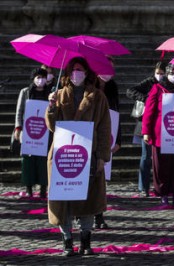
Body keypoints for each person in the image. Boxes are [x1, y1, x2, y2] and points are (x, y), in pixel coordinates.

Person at [46, 57, 111, 256]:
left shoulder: (98, 97)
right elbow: (51, 126)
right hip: (63, 156)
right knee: (62, 199)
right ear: (67, 73)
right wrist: (51, 107)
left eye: (80, 69)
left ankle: (85, 240)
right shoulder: (58, 95)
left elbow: (104, 128)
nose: (77, 73)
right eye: (73, 69)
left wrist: (101, 156)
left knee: (88, 199)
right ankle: (67, 241)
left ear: (87, 72)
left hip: (87, 155)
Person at [142, 63, 174, 207]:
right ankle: (163, 193)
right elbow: (149, 110)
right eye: (172, 73)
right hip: (160, 134)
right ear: (166, 74)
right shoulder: (158, 88)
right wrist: (146, 131)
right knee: (161, 165)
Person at [126, 61, 166, 197]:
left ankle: (160, 186)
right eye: (158, 73)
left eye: (162, 73)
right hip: (146, 123)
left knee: (161, 159)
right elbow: (130, 91)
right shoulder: (149, 82)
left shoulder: (168, 85)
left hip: (162, 125)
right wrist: (145, 98)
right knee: (146, 156)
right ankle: (143, 187)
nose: (160, 76)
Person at [93, 56, 121, 229]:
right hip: (90, 136)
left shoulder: (112, 87)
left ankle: (99, 216)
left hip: (107, 136)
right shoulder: (90, 87)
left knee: (101, 179)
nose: (109, 72)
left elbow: (117, 111)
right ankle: (84, 214)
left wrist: (118, 139)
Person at [14, 68, 50, 198]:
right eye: (38, 77)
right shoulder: (25, 92)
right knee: (28, 161)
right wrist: (18, 128)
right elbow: (19, 111)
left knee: (43, 161)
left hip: (44, 133)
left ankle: (42, 189)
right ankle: (28, 188)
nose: (41, 80)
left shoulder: (50, 93)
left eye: (43, 77)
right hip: (28, 131)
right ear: (33, 78)